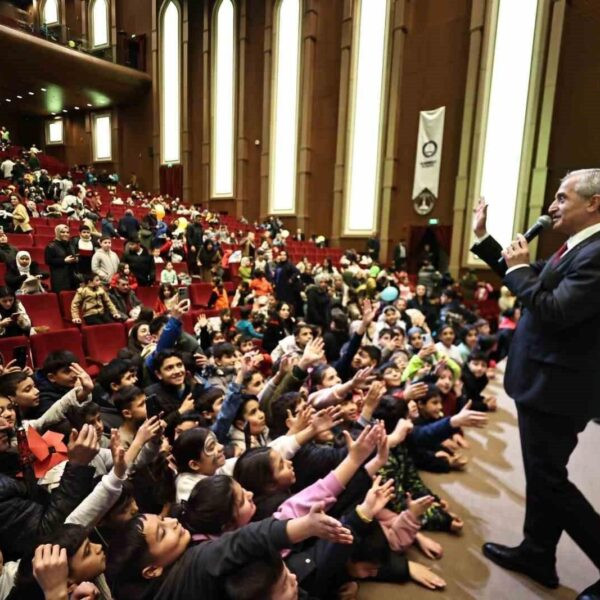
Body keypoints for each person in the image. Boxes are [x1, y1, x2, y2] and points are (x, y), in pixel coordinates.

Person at [471, 169, 600, 599]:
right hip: (546, 381)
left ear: (593, 203)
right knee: (545, 475)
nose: (552, 207)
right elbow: (527, 277)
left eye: (562, 198)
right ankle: (537, 553)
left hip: (557, 388)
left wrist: (523, 270)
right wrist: (487, 240)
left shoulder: (597, 253)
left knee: (550, 481)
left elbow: (554, 310)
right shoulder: (577, 248)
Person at [44, 224, 79, 293]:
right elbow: (48, 261)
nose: (65, 234)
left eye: (67, 232)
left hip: (72, 276)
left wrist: (76, 259)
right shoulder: (51, 246)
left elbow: (74, 256)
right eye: (62, 232)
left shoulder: (71, 245)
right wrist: (63, 261)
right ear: (57, 232)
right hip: (59, 278)